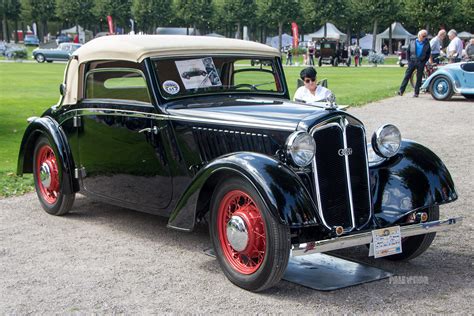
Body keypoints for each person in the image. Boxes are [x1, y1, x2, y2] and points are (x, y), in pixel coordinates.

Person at [397, 29, 431, 98]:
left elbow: (428, 54)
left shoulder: (427, 43)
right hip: (412, 61)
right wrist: (409, 61)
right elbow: (408, 52)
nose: (425, 37)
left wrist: (424, 62)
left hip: (421, 62)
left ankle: (416, 93)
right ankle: (401, 91)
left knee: (419, 78)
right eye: (423, 36)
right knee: (407, 76)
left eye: (425, 36)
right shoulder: (412, 41)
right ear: (419, 35)